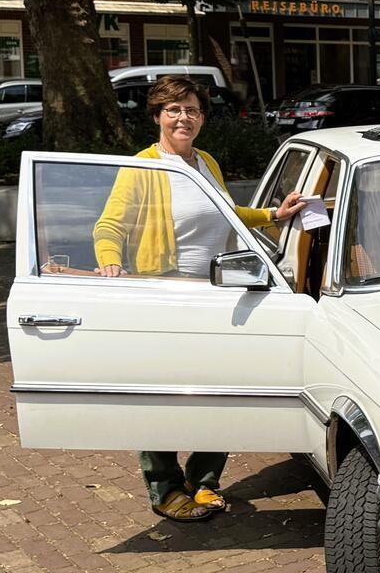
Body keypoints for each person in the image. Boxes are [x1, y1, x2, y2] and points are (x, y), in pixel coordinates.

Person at [93, 76, 305, 522]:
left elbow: (227, 212)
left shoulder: (206, 161)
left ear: (203, 117)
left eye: (191, 109)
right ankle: (166, 487)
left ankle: (204, 481)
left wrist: (272, 214)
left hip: (216, 293)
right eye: (173, 110)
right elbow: (109, 226)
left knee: (223, 387)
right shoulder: (143, 167)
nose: (183, 117)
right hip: (164, 294)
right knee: (160, 394)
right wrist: (111, 263)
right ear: (157, 117)